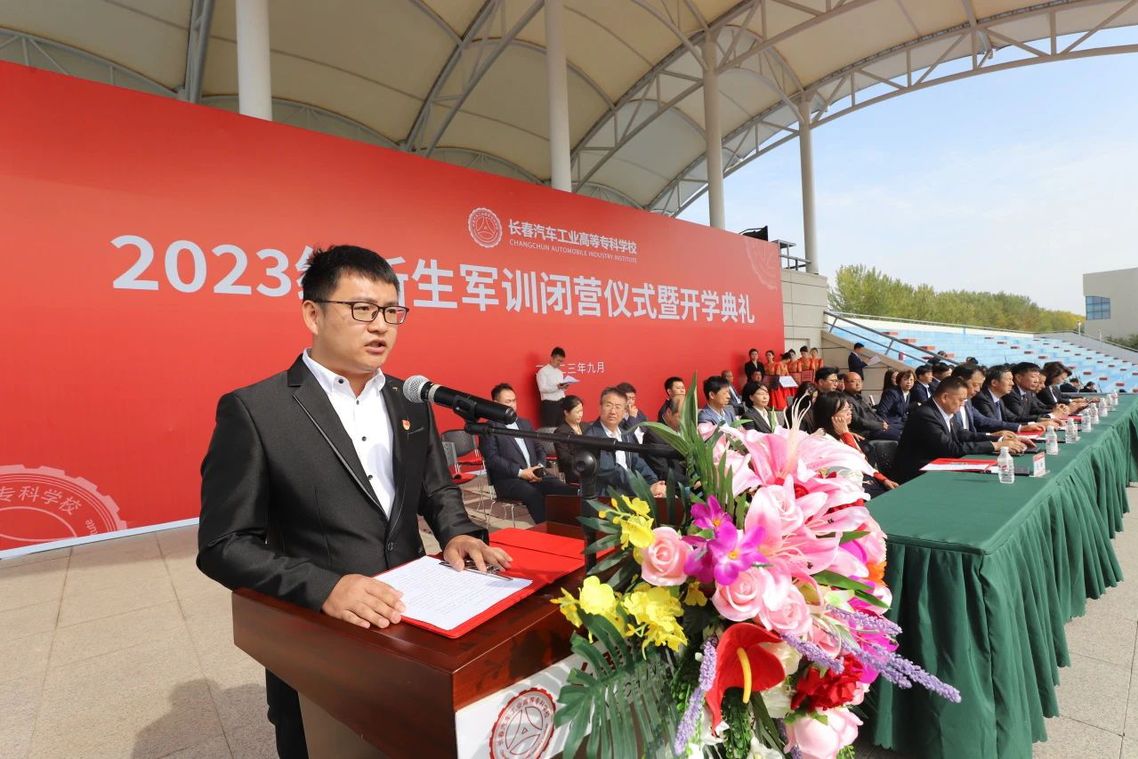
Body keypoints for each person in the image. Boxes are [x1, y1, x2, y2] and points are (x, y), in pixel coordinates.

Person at [197, 245, 510, 759]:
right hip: (320, 639)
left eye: (391, 311)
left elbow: (435, 488)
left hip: (416, 621)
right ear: (312, 314)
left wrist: (456, 531)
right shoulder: (256, 410)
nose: (380, 326)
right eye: (362, 309)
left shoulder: (411, 399)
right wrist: (325, 586)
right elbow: (223, 545)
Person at [892, 377, 1027, 483]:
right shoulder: (925, 415)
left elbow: (962, 434)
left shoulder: (941, 410)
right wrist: (995, 445)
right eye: (961, 400)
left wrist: (997, 438)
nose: (963, 404)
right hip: (915, 475)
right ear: (945, 397)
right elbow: (951, 449)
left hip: (936, 467)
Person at [478, 383, 577, 524]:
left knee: (564, 489)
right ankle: (547, 529)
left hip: (535, 473)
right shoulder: (488, 428)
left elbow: (539, 448)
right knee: (534, 495)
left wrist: (539, 467)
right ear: (495, 403)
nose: (512, 405)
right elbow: (492, 459)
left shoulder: (524, 423)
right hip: (509, 480)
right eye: (507, 401)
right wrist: (521, 473)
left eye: (514, 400)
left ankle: (571, 525)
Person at [810, 391, 899, 496]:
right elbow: (857, 461)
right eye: (845, 409)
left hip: (865, 482)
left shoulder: (842, 434)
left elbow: (864, 464)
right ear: (830, 415)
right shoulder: (820, 441)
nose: (850, 412)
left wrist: (884, 479)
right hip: (849, 491)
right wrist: (846, 434)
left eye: (849, 407)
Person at [585, 387, 666, 497]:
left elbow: (639, 463)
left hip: (630, 493)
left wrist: (653, 483)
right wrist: (644, 489)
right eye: (608, 405)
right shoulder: (591, 436)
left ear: (624, 412)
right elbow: (610, 472)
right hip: (605, 496)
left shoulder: (626, 434)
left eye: (618, 407)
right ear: (599, 408)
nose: (613, 411)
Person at [951, 364, 1045, 439]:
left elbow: (984, 420)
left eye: (980, 385)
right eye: (975, 385)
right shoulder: (980, 398)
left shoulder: (969, 401)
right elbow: (987, 424)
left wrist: (1021, 427)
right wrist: (994, 438)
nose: (978, 390)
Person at [844, 371, 898, 441]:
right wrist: (879, 425)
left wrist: (882, 422)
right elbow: (857, 421)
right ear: (845, 383)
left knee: (902, 432)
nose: (858, 384)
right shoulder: (845, 399)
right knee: (899, 436)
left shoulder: (861, 397)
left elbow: (872, 412)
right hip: (865, 432)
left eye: (860, 381)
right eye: (853, 381)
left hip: (875, 427)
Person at [642, 396, 686, 483]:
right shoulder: (654, 435)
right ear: (669, 412)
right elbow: (663, 472)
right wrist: (692, 483)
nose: (685, 422)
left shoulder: (685, 431)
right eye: (682, 417)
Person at [554, 395, 585, 486]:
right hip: (573, 470)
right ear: (566, 413)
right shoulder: (560, 432)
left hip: (589, 466)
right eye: (577, 412)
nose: (580, 415)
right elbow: (565, 458)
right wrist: (583, 461)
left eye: (581, 411)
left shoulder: (586, 426)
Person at [536, 347, 571, 427]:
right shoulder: (543, 371)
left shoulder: (560, 372)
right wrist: (557, 387)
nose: (559, 363)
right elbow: (542, 389)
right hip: (549, 405)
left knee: (561, 428)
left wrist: (564, 387)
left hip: (561, 403)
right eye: (558, 360)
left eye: (561, 361)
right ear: (552, 358)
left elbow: (560, 389)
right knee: (550, 429)